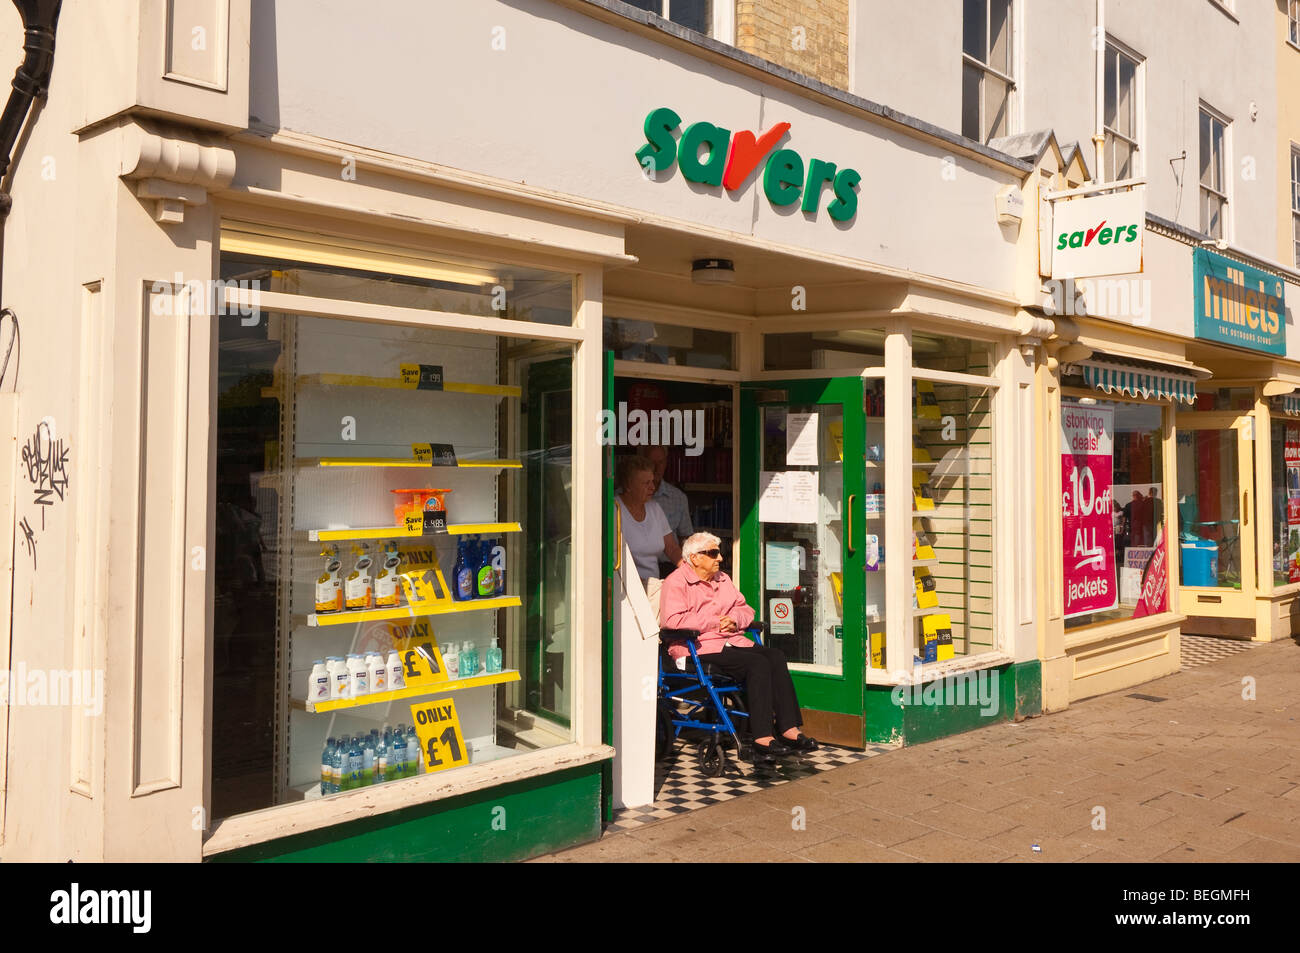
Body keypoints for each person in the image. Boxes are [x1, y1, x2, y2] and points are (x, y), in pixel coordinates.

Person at [660, 532, 819, 763]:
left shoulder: (722, 579)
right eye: (713, 553)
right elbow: (672, 621)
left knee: (775, 656)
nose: (720, 558)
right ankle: (762, 737)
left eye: (719, 553)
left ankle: (788, 729)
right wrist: (715, 621)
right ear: (694, 558)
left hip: (730, 640)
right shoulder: (676, 582)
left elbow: (746, 609)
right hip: (697, 647)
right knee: (756, 663)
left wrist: (735, 619)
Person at [616, 454, 682, 615]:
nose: (653, 487)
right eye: (646, 483)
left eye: (653, 481)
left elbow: (672, 549)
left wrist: (691, 573)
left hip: (653, 591)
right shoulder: (614, 509)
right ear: (629, 485)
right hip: (624, 593)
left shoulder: (655, 508)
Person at [644, 444, 692, 572]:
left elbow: (685, 538)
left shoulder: (678, 498)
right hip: (636, 568)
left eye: (661, 462)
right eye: (651, 462)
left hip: (670, 565)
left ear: (666, 463)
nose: (656, 467)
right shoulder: (622, 498)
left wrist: (688, 570)